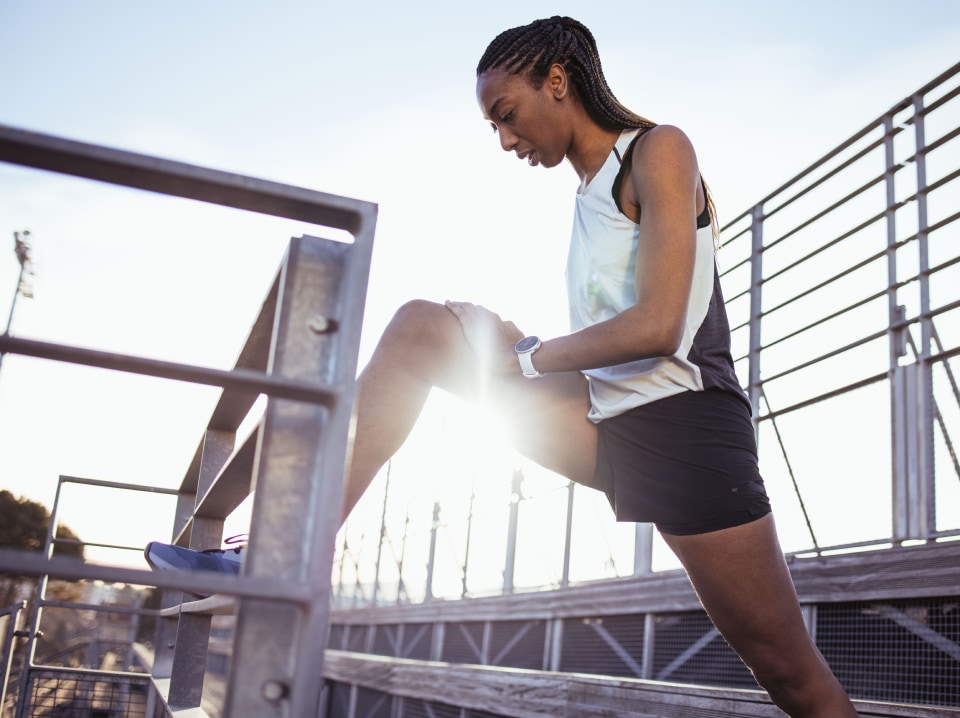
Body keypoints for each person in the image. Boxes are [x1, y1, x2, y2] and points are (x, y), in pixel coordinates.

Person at [147, 16, 859, 717]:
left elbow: (660, 325)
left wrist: (526, 354)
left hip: (688, 438)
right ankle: (288, 552)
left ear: (558, 81)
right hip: (603, 418)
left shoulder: (660, 149)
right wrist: (505, 341)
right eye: (493, 126)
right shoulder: (584, 196)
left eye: (507, 115)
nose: (505, 139)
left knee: (790, 677)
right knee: (421, 331)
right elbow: (602, 338)